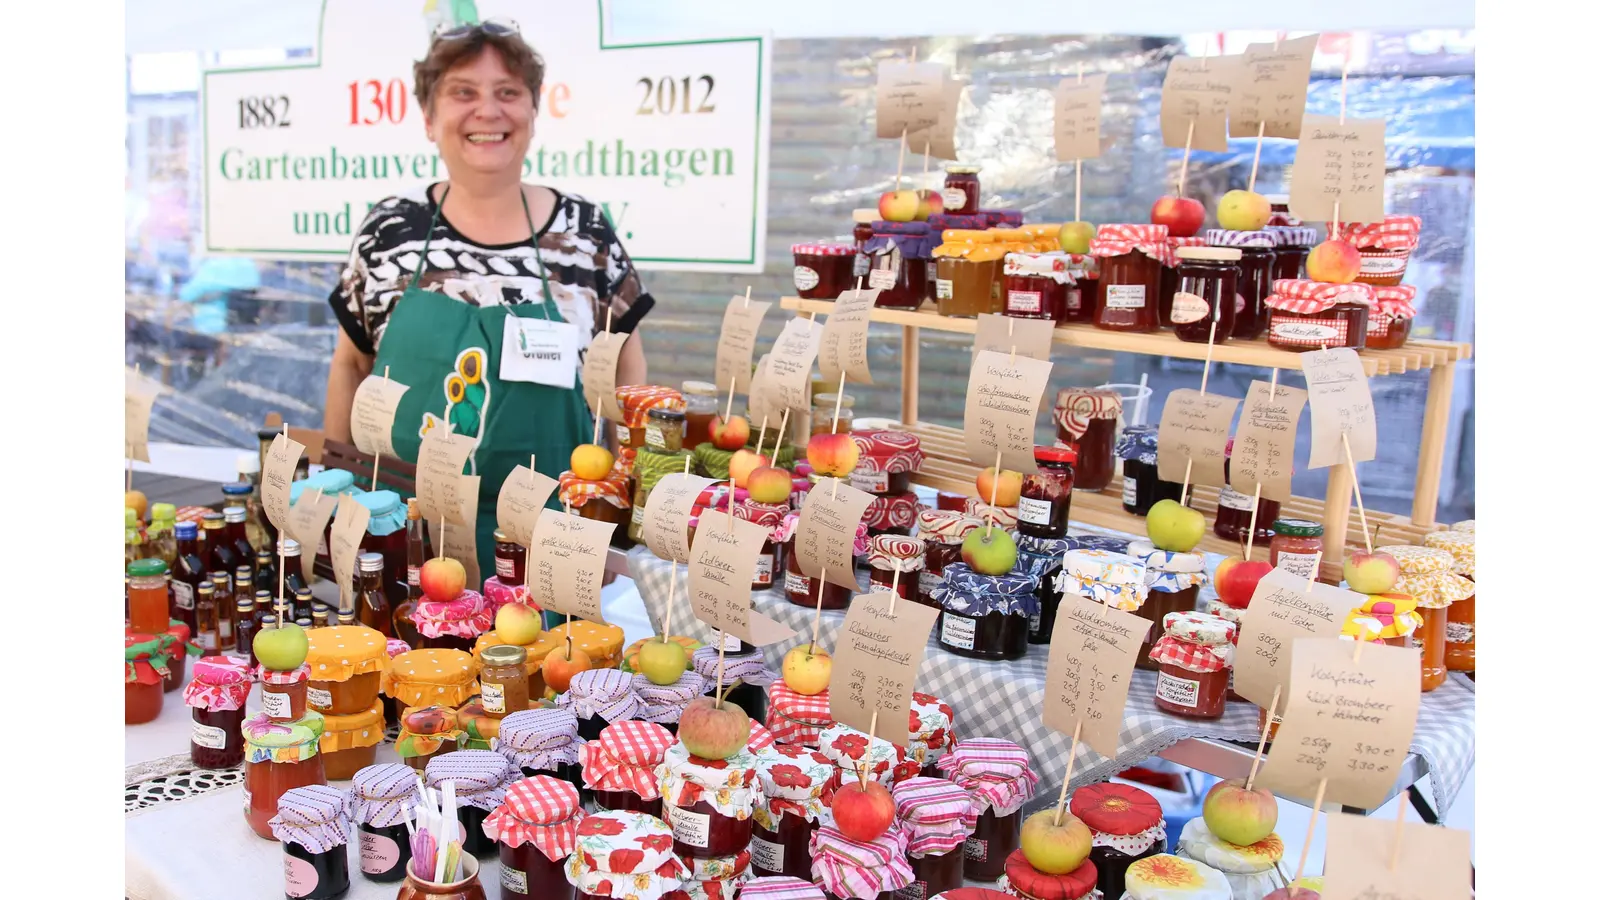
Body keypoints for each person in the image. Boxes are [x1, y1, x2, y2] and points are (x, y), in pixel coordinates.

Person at [325, 20, 650, 579]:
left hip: (552, 549)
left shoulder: (586, 233)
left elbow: (625, 376)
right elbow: (350, 367)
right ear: (429, 118)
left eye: (507, 92)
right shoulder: (390, 231)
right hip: (404, 539)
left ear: (531, 111)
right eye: (463, 92)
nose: (488, 111)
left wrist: (629, 516)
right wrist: (336, 506)